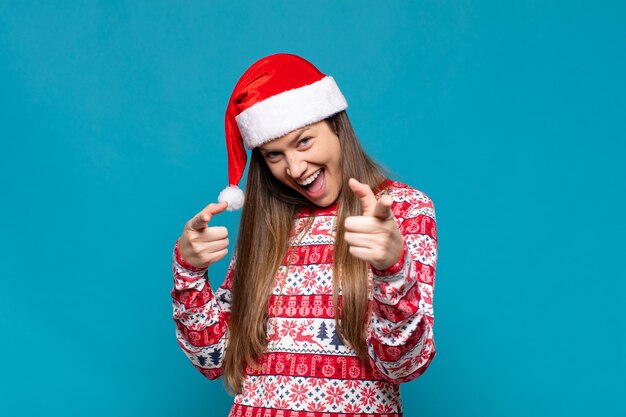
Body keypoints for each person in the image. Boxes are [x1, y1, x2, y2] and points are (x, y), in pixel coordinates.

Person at [171, 53, 438, 417]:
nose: (294, 169)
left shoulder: (405, 209)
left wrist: (392, 268)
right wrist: (189, 272)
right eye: (273, 154)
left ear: (336, 126)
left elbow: (404, 365)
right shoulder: (270, 224)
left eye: (304, 142)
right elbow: (214, 357)